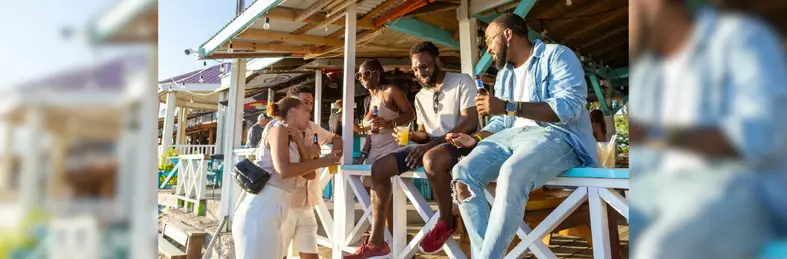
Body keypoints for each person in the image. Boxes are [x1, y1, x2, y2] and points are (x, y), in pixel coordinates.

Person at [628, 0, 787, 258]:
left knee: (658, 250)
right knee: (620, 223)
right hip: (658, 186)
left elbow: (762, 136)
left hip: (738, 187)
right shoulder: (646, 71)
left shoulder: (738, 37)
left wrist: (655, 134)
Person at [444, 14, 597, 258]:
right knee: (462, 174)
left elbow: (568, 107)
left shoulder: (557, 55)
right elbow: (501, 122)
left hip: (557, 135)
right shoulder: (505, 75)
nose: (487, 49)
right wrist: (478, 138)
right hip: (511, 137)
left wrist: (508, 106)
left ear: (508, 35)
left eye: (488, 40)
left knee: (511, 171)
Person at [344, 41, 478, 259]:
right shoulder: (420, 96)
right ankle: (377, 242)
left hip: (461, 142)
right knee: (379, 168)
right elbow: (425, 133)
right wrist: (412, 137)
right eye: (415, 69)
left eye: (424, 66)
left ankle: (446, 220)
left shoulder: (461, 81)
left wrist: (429, 145)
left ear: (437, 61)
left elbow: (470, 123)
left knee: (431, 160)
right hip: (432, 145)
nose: (420, 73)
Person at [232, 97, 341, 259]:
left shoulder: (293, 137)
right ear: (294, 111)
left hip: (276, 210)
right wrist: (323, 161)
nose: (309, 116)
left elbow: (310, 174)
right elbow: (283, 170)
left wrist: (300, 142)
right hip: (263, 207)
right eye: (306, 111)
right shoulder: (278, 130)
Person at [280, 86, 344, 259]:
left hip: (307, 202)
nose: (309, 107)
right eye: (305, 103)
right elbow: (286, 169)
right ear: (293, 107)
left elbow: (335, 138)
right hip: (284, 203)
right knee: (279, 254)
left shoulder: (312, 127)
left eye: (311, 103)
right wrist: (315, 157)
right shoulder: (279, 130)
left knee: (311, 255)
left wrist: (335, 153)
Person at [355, 58, 415, 165]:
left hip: (392, 147)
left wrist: (387, 123)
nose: (363, 78)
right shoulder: (367, 100)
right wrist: (362, 156)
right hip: (374, 151)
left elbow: (410, 115)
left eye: (367, 73)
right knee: (369, 176)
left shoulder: (390, 91)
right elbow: (371, 133)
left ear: (377, 73)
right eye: (359, 75)